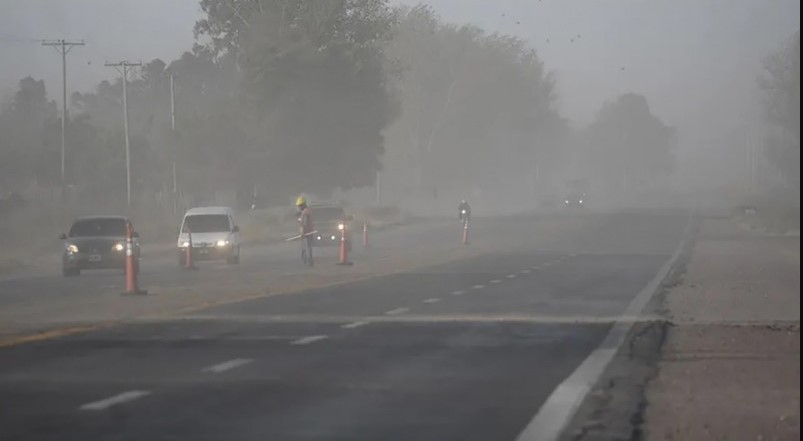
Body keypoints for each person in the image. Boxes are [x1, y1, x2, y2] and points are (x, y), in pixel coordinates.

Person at [296, 195, 314, 266]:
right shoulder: (308, 211)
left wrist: (303, 232)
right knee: (309, 247)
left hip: (306, 233)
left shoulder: (305, 213)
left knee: (306, 248)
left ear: (302, 205)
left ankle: (308, 261)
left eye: (299, 206)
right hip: (309, 232)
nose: (298, 208)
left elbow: (305, 223)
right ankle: (309, 260)